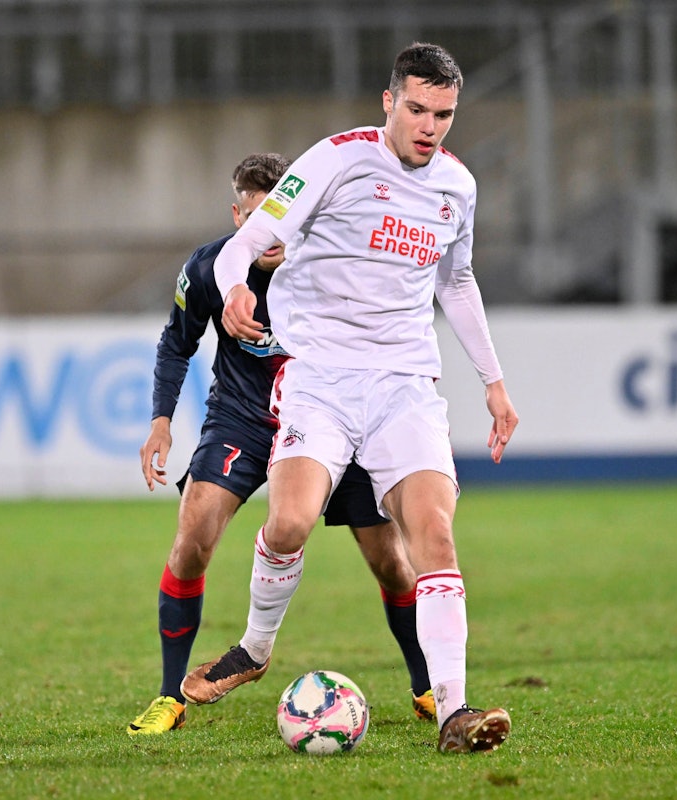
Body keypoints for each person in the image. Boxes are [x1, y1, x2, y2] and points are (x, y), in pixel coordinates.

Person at [179, 43, 519, 754]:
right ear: (389, 101)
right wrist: (237, 285)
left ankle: (454, 711)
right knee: (290, 525)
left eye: (445, 115)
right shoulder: (333, 160)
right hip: (321, 381)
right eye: (418, 109)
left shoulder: (457, 186)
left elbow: (455, 283)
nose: (430, 126)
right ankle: (255, 645)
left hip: (403, 388)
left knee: (434, 537)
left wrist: (492, 380)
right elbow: (249, 242)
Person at [127, 153, 435, 736]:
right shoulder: (211, 270)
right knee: (192, 537)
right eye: (253, 217)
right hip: (244, 417)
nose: (267, 233)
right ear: (237, 215)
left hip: (332, 414)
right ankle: (170, 697)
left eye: (280, 215)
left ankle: (425, 688)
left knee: (393, 563)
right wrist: (162, 420)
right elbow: (176, 344)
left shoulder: (333, 264)